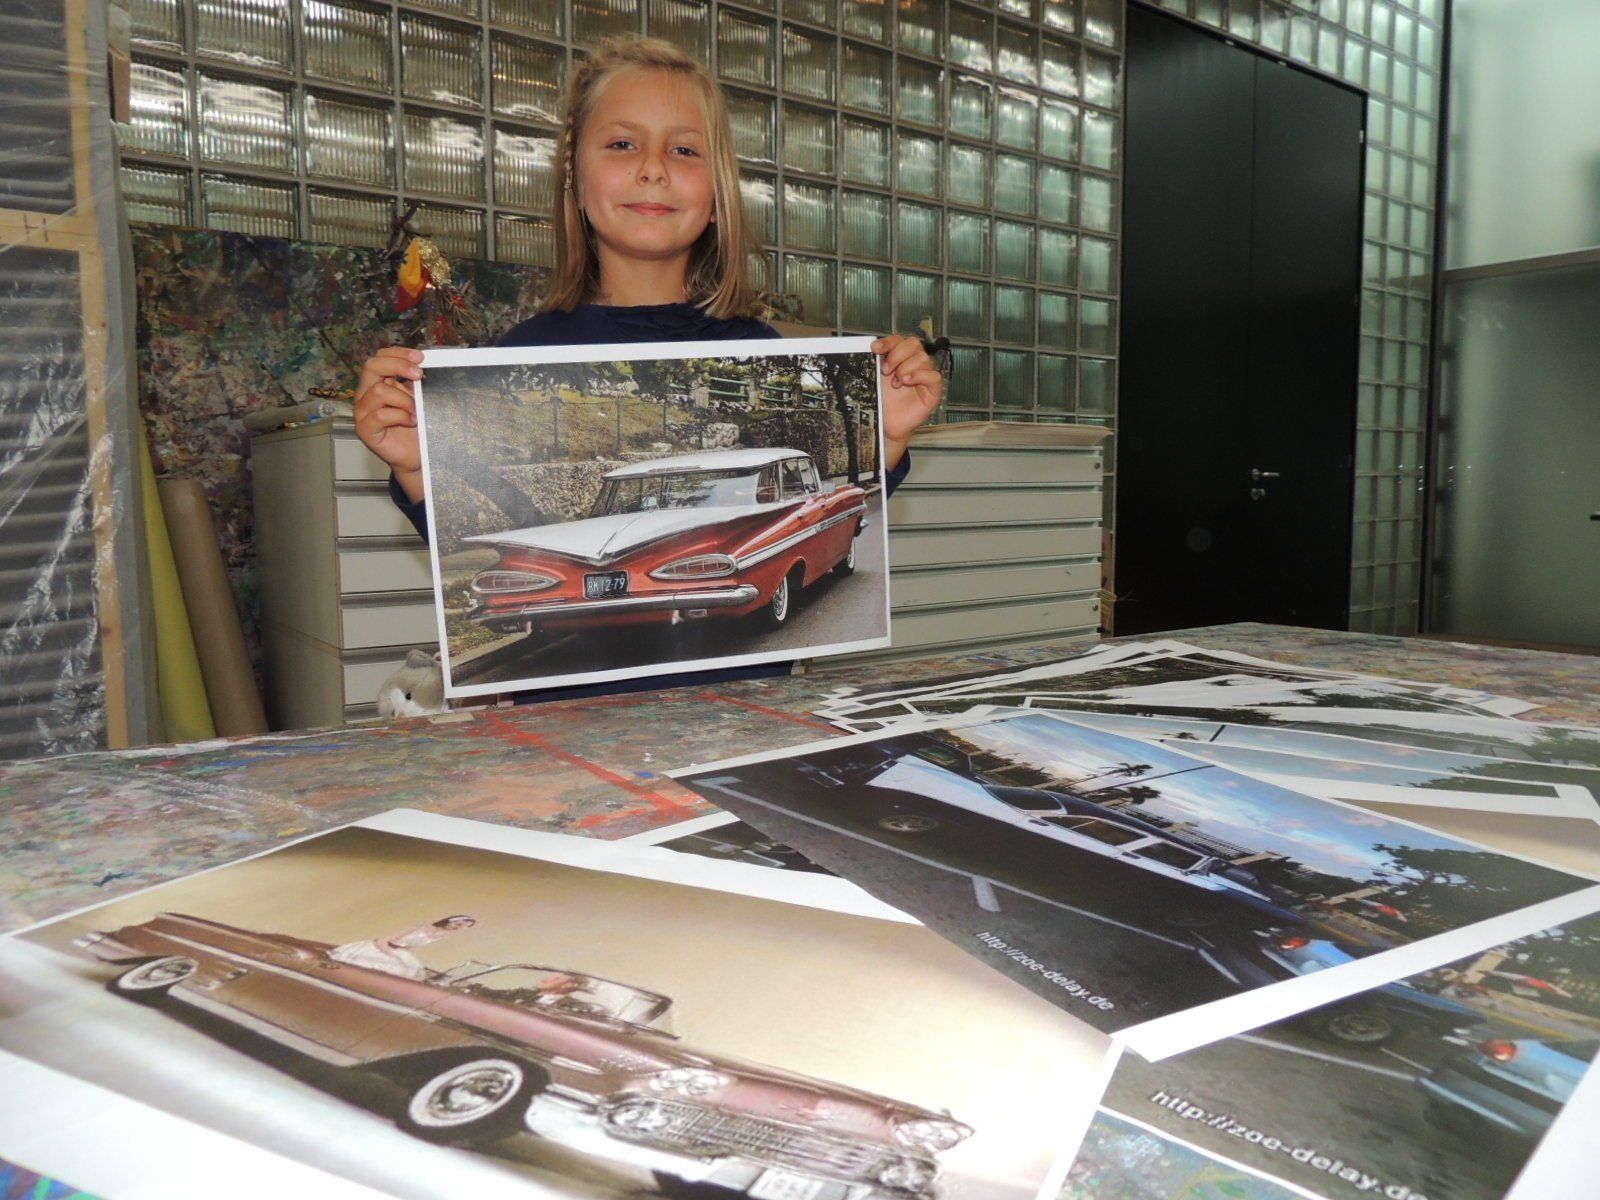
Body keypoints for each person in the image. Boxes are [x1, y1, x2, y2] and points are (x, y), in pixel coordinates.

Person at [354, 37, 942, 697]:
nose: (653, 169)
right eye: (622, 144)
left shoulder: (757, 344)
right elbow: (464, 540)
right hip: (568, 722)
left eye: (684, 150)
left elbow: (847, 515)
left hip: (743, 712)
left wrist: (886, 438)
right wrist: (418, 468)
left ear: (718, 195)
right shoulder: (515, 356)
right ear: (575, 181)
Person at [329, 914, 476, 981]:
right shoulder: (423, 927)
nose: (457, 928)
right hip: (384, 946)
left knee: (413, 967)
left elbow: (412, 946)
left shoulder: (441, 935)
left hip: (400, 950)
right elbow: (384, 939)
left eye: (461, 927)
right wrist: (391, 953)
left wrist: (403, 955)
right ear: (449, 921)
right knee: (391, 965)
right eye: (457, 924)